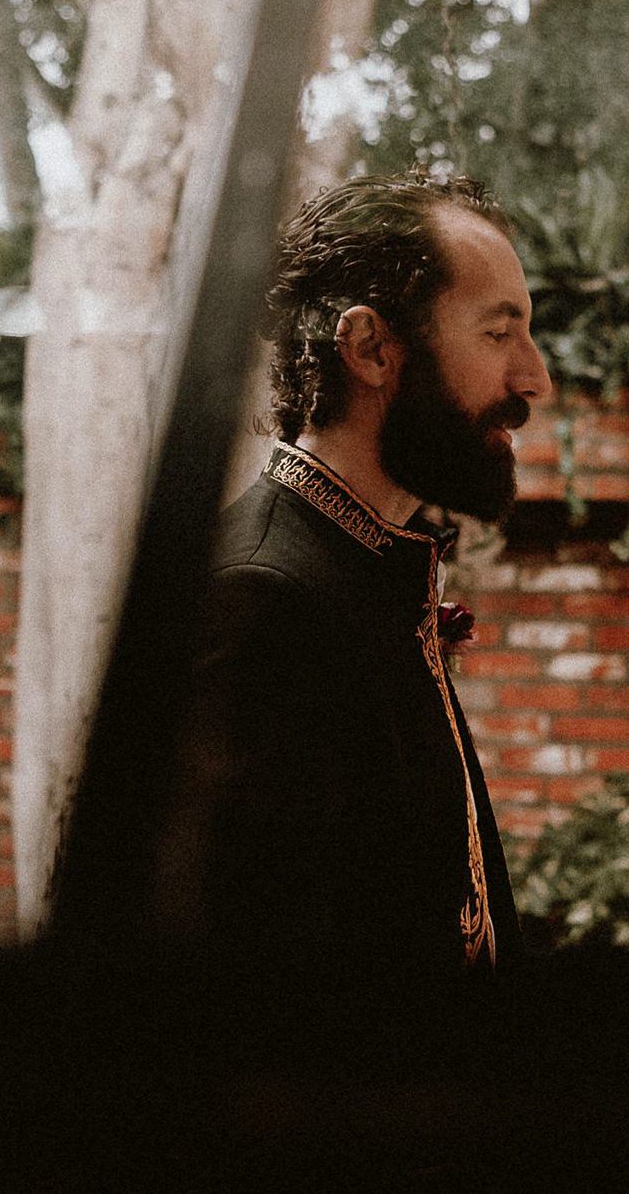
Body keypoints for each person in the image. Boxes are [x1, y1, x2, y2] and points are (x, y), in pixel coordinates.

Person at [185, 171, 551, 971]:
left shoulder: (372, 563)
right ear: (372, 348)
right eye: (499, 334)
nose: (534, 379)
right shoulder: (259, 597)